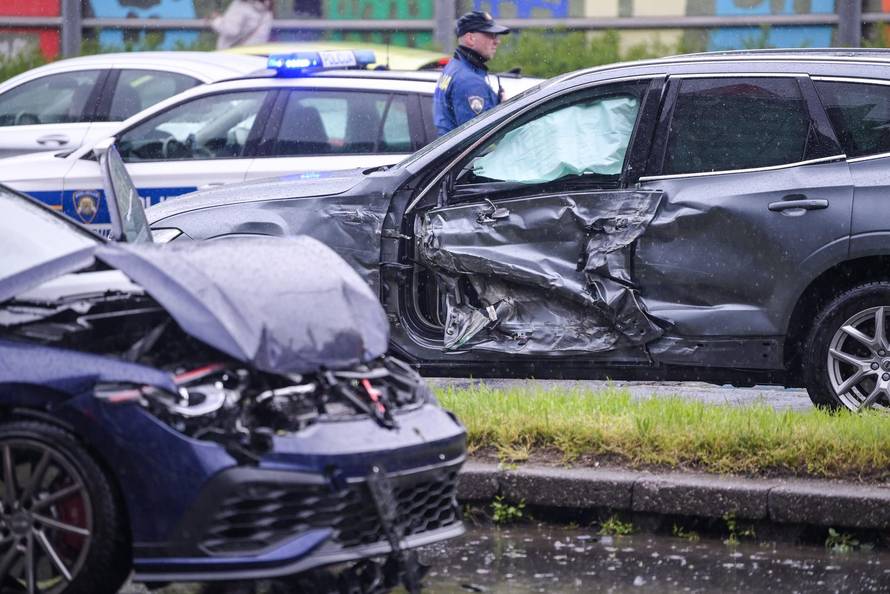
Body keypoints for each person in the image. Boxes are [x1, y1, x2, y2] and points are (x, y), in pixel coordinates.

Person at [433, 10, 510, 136]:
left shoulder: (453, 67)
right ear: (470, 38)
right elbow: (482, 140)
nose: (497, 41)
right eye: (491, 35)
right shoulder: (470, 82)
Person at [209, 0, 273, 50]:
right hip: (254, 53)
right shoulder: (266, 9)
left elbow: (230, 30)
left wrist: (215, 20)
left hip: (233, 54)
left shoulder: (242, 6)